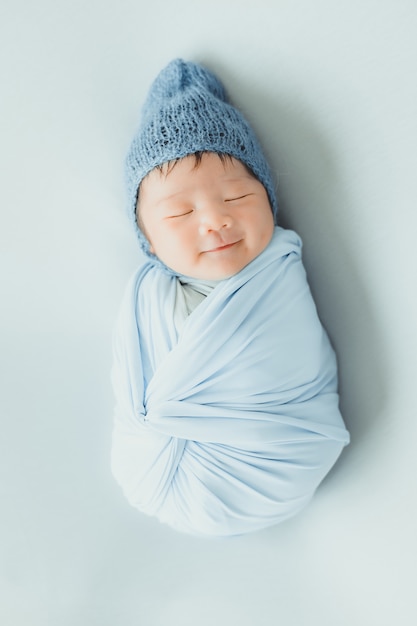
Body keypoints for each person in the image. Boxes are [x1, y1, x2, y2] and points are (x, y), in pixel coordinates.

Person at [111, 58, 350, 537]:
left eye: (238, 198)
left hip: (281, 459)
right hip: (160, 471)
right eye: (179, 213)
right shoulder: (149, 297)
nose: (214, 220)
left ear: (268, 201)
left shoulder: (277, 275)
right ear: (148, 242)